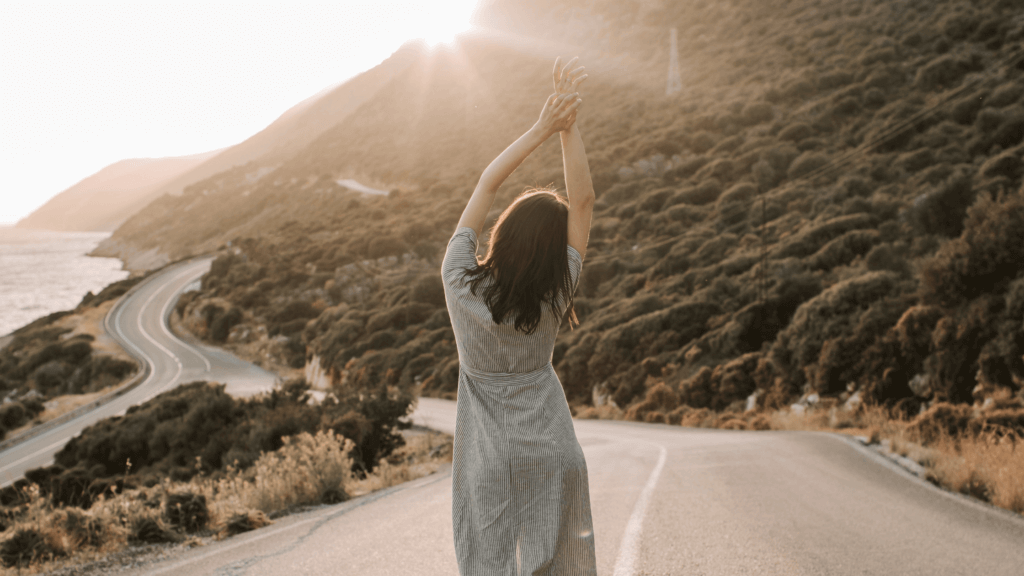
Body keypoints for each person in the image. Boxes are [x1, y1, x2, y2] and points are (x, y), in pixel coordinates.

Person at [442, 57, 596, 575]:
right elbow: (584, 203)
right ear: (554, 254)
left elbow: (486, 184)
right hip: (554, 456)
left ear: (504, 232)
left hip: (490, 464)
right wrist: (568, 131)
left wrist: (541, 127)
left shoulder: (459, 282)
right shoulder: (556, 292)